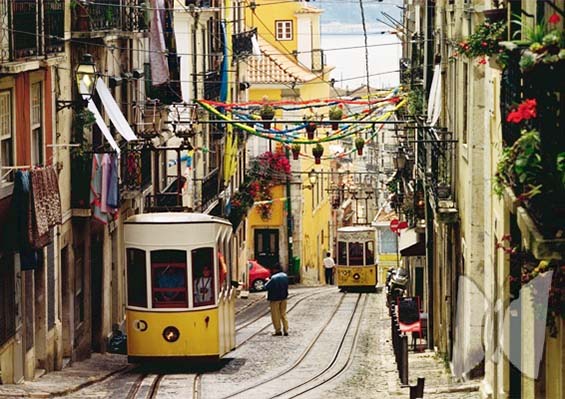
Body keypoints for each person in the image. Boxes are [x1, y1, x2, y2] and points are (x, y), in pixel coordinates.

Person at [265, 264, 289, 336]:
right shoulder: (285, 276)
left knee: (275, 315)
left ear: (275, 270)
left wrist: (267, 280)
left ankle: (278, 330)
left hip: (274, 299)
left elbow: (266, 286)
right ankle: (286, 329)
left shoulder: (273, 278)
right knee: (283, 314)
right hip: (284, 297)